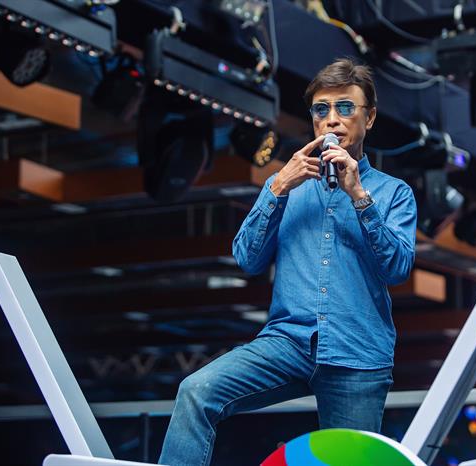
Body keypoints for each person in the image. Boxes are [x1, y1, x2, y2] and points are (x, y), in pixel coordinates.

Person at [159, 58, 417, 466]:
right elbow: (247, 259)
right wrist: (277, 186)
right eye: (321, 109)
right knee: (196, 391)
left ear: (368, 118)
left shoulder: (393, 193)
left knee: (351, 463)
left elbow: (398, 269)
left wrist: (359, 196)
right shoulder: (286, 185)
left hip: (357, 354)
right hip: (287, 343)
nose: (332, 119)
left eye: (345, 107)